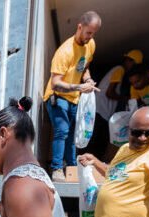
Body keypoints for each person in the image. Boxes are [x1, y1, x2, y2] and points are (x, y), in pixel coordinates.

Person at [43, 11, 101, 182]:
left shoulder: (90, 45)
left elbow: (84, 68)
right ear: (79, 27)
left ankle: (72, 170)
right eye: (88, 32)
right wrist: (79, 87)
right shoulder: (65, 51)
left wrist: (88, 80)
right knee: (62, 131)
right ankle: (57, 169)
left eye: (94, 33)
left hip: (74, 98)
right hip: (57, 96)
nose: (90, 37)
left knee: (72, 137)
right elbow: (55, 83)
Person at [92, 50, 143, 160]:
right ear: (128, 61)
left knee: (98, 140)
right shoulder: (119, 70)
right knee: (97, 141)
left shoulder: (121, 73)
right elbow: (110, 93)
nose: (133, 68)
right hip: (101, 110)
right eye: (133, 64)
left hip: (102, 111)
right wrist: (126, 99)